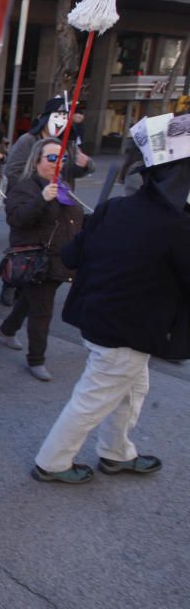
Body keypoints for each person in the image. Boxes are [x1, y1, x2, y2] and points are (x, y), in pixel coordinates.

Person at [31, 155, 190, 484]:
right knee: (94, 397)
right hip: (128, 328)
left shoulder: (115, 208)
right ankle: (52, 462)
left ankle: (117, 452)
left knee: (132, 386)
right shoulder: (178, 225)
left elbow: (72, 254)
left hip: (97, 317)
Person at [0, 138, 84, 382]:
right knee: (42, 310)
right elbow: (17, 219)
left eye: (62, 159)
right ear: (36, 161)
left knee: (29, 300)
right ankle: (36, 359)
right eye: (52, 158)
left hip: (60, 259)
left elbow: (72, 221)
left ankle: (6, 330)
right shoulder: (24, 187)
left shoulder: (63, 187)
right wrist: (42, 198)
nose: (58, 164)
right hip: (36, 261)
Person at [0, 98, 94, 305]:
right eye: (57, 115)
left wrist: (86, 165)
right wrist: (32, 190)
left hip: (59, 201)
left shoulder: (67, 143)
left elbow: (71, 170)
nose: (61, 121)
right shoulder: (28, 140)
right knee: (26, 246)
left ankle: (33, 293)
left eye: (65, 117)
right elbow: (12, 170)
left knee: (53, 246)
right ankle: (12, 282)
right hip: (32, 199)